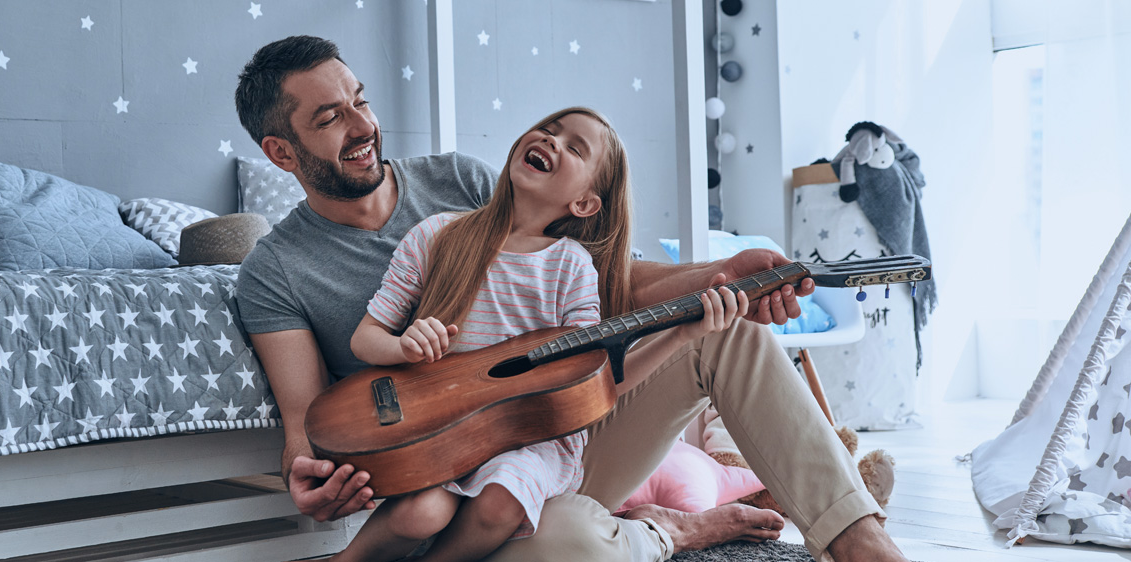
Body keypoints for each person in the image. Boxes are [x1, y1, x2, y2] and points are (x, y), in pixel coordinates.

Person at [234, 35, 907, 562]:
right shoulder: (276, 269)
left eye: (360, 98)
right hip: (443, 493)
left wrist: (718, 273)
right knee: (573, 546)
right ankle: (672, 531)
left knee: (729, 333)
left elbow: (607, 282)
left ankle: (858, 542)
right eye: (330, 117)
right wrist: (309, 480)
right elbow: (305, 422)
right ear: (281, 152)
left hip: (547, 444)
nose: (362, 124)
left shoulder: (458, 183)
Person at [331, 107, 750, 562]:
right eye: (549, 131)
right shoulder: (436, 234)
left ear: (586, 204)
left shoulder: (570, 266)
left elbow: (597, 380)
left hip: (534, 440)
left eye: (574, 147)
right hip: (443, 431)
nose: (552, 142)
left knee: (500, 502)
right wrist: (402, 345)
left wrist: (680, 335)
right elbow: (365, 338)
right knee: (419, 514)